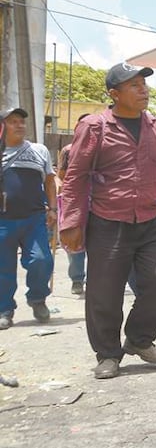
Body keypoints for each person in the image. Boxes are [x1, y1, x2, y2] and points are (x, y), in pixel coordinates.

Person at [59, 62, 156, 380]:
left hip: (151, 220)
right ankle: (108, 355)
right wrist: (71, 220)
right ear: (114, 94)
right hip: (106, 220)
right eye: (135, 85)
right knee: (104, 292)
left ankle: (139, 340)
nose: (144, 90)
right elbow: (76, 176)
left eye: (145, 84)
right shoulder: (94, 126)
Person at [0, 107, 56, 329]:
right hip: (3, 220)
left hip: (34, 218)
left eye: (22, 121)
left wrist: (52, 208)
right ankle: (4, 309)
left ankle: (37, 298)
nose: (20, 125)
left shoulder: (39, 150)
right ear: (3, 126)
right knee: (3, 268)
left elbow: (50, 181)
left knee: (41, 260)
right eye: (13, 121)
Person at [57, 112, 92, 295]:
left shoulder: (103, 148)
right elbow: (61, 175)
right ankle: (77, 279)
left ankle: (96, 280)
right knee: (75, 243)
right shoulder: (68, 150)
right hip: (75, 201)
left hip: (99, 201)